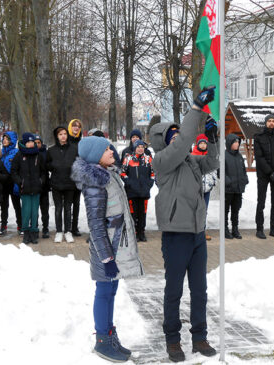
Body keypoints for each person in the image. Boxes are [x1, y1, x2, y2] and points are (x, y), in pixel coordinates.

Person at [149, 86, 218, 362]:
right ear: (164, 142)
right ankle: (173, 340)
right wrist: (197, 108)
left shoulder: (190, 161)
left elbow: (212, 162)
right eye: (174, 136)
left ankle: (199, 337)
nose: (180, 139)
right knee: (174, 290)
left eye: (179, 135)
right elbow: (185, 139)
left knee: (199, 289)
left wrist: (212, 139)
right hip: (176, 236)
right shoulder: (162, 161)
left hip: (197, 235)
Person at [71, 136, 144, 362]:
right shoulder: (95, 182)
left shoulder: (108, 173)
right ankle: (102, 340)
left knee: (111, 292)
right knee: (104, 293)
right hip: (106, 248)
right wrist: (106, 258)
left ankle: (110, 334)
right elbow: (95, 224)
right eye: (106, 149)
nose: (112, 151)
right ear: (95, 155)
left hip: (115, 246)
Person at [254, 114, 274, 239]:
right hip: (263, 175)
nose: (271, 123)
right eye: (269, 121)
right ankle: (259, 229)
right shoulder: (258, 137)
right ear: (265, 123)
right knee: (261, 202)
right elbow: (259, 157)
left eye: (273, 121)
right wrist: (270, 172)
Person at [11, 133, 45, 244]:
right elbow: (14, 171)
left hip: (36, 188)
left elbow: (43, 172)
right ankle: (26, 232)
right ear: (24, 143)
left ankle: (34, 232)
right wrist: (20, 182)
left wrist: (41, 181)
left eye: (32, 142)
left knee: (34, 211)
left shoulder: (38, 155)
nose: (31, 144)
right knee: (26, 211)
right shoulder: (19, 155)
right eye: (28, 142)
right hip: (24, 189)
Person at [46, 126, 78, 243]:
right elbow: (47, 164)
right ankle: (59, 231)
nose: (63, 136)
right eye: (60, 134)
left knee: (68, 208)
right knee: (58, 208)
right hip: (56, 183)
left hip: (70, 183)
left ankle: (68, 231)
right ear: (57, 136)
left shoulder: (74, 149)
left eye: (65, 133)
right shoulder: (51, 150)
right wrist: (54, 165)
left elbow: (78, 163)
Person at [121, 139, 155, 242]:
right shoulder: (128, 158)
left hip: (144, 191)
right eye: (138, 147)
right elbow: (122, 173)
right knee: (133, 213)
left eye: (142, 147)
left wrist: (149, 184)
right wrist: (129, 183)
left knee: (142, 213)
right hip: (131, 192)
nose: (140, 149)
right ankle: (134, 233)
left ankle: (142, 232)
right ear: (135, 148)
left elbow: (153, 174)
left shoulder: (148, 159)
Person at [191, 133, 218, 240]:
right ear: (197, 144)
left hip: (207, 188)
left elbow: (214, 170)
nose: (203, 145)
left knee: (204, 210)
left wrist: (213, 181)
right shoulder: (192, 156)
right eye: (201, 143)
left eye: (204, 143)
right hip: (195, 189)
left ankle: (202, 231)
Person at [224, 134, 249, 239]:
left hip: (238, 188)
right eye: (235, 142)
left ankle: (235, 229)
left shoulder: (239, 156)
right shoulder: (224, 155)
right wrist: (227, 181)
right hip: (228, 189)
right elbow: (220, 171)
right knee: (225, 210)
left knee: (236, 210)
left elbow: (243, 169)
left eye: (238, 142)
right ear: (230, 143)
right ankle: (225, 230)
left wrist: (245, 179)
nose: (237, 144)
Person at [0, 131, 22, 236]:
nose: (4, 140)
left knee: (17, 206)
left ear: (12, 141)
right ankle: (3, 226)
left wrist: (18, 183)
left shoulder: (17, 152)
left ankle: (20, 226)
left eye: (7, 139)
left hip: (14, 184)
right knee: (4, 206)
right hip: (3, 184)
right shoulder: (0, 153)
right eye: (3, 138)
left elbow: (19, 169)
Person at [68, 118, 83, 236]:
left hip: (78, 177)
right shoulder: (66, 140)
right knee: (67, 203)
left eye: (78, 126)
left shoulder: (81, 142)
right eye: (74, 125)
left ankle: (74, 227)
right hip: (67, 176)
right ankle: (67, 226)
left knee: (76, 204)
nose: (76, 128)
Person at [34, 134, 50, 238]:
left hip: (44, 185)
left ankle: (45, 228)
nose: (37, 144)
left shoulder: (46, 153)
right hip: (33, 186)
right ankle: (35, 227)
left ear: (41, 143)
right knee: (34, 209)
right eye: (35, 143)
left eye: (38, 142)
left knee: (45, 209)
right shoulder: (29, 153)